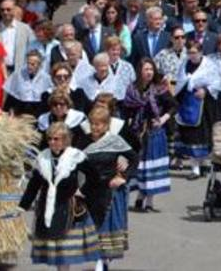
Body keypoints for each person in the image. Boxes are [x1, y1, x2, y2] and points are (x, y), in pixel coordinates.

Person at [19, 122, 100, 271]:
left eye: (56, 139)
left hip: (69, 208)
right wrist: (22, 206)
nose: (52, 142)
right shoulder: (42, 158)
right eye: (49, 138)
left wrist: (82, 191)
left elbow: (94, 177)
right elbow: (34, 185)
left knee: (64, 253)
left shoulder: (76, 156)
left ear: (65, 140)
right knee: (54, 253)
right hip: (48, 208)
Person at [78, 105, 136, 267]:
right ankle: (100, 260)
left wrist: (124, 177)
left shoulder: (115, 141)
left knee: (106, 227)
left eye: (99, 124)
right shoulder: (84, 141)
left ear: (106, 125)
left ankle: (101, 262)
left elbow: (134, 158)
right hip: (91, 190)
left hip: (110, 191)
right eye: (93, 124)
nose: (95, 127)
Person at [121, 58, 174, 211]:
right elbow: (126, 109)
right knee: (139, 166)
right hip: (137, 133)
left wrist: (163, 119)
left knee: (152, 167)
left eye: (151, 69)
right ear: (140, 71)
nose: (149, 72)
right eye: (146, 69)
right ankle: (139, 196)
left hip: (154, 132)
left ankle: (149, 200)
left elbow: (173, 106)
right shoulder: (132, 89)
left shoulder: (159, 89)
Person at [173, 40, 219, 179]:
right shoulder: (184, 64)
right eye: (189, 53)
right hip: (187, 102)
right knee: (190, 136)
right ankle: (195, 168)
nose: (192, 55)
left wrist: (205, 90)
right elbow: (180, 81)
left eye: (194, 52)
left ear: (200, 52)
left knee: (202, 136)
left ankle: (203, 164)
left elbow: (217, 82)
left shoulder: (209, 65)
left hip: (204, 104)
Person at [3, 50, 51, 117]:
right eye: (28, 63)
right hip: (20, 109)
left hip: (38, 111)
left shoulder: (46, 78)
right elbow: (11, 96)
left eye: (33, 64)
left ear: (39, 64)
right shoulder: (18, 74)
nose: (29, 66)